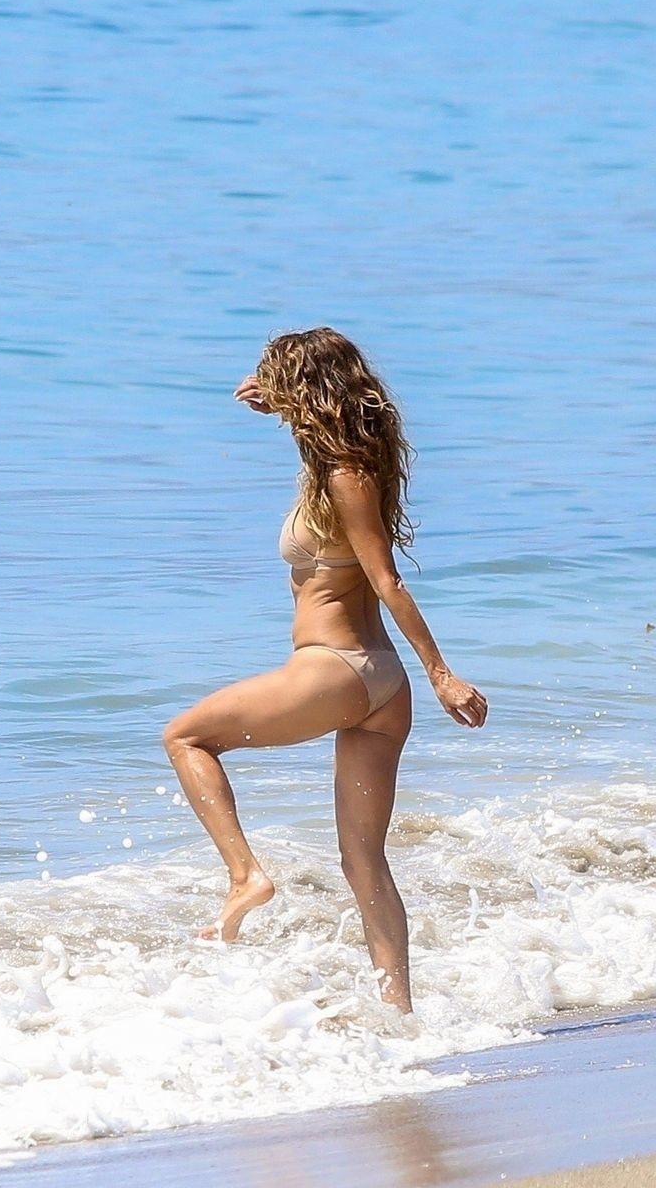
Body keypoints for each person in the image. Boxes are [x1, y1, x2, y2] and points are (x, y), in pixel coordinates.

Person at [163, 326, 488, 1013]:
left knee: (186, 737)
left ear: (307, 391)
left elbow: (387, 581)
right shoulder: (346, 467)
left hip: (337, 667)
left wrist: (441, 674)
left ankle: (245, 877)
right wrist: (279, 406)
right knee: (363, 860)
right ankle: (400, 1015)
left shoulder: (344, 478)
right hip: (377, 684)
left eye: (279, 379)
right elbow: (323, 457)